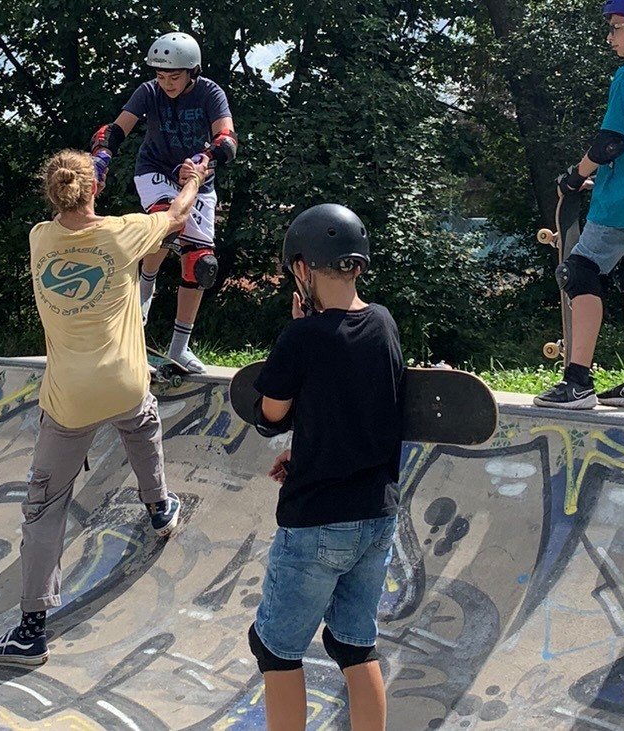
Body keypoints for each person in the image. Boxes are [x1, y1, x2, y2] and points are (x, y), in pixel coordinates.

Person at [0, 150, 210, 666]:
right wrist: (192, 179)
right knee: (141, 423)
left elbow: (75, 211)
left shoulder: (41, 238)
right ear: (96, 189)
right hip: (126, 383)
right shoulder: (122, 233)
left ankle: (31, 627)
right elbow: (176, 217)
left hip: (69, 398)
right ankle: (159, 508)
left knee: (45, 507)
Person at [246, 204, 401, 731]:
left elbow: (271, 413)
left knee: (275, 648)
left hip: (316, 522)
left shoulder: (301, 338)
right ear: (357, 264)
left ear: (303, 269)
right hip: (377, 516)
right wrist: (307, 447)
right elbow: (362, 406)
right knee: (353, 643)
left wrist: (296, 340)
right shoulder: (382, 322)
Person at [535, 0, 624, 411]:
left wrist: (576, 174)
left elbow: (610, 142)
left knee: (577, 271)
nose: (610, 36)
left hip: (619, 204)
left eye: (617, 26)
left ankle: (577, 380)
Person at [89, 31, 238, 373]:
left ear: (192, 73)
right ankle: (145, 287)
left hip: (198, 178)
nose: (167, 84)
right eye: (160, 76)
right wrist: (101, 158)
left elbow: (227, 139)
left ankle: (179, 348)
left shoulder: (210, 92)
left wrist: (206, 159)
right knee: (166, 228)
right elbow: (114, 130)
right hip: (154, 169)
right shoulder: (148, 92)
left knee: (202, 265)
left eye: (174, 76)